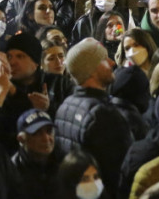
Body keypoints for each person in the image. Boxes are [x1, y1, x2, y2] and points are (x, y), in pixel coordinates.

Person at [55, 37, 133, 192]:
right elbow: (118, 173)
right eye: (104, 60)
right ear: (90, 69)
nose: (112, 63)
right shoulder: (102, 115)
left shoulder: (65, 105)